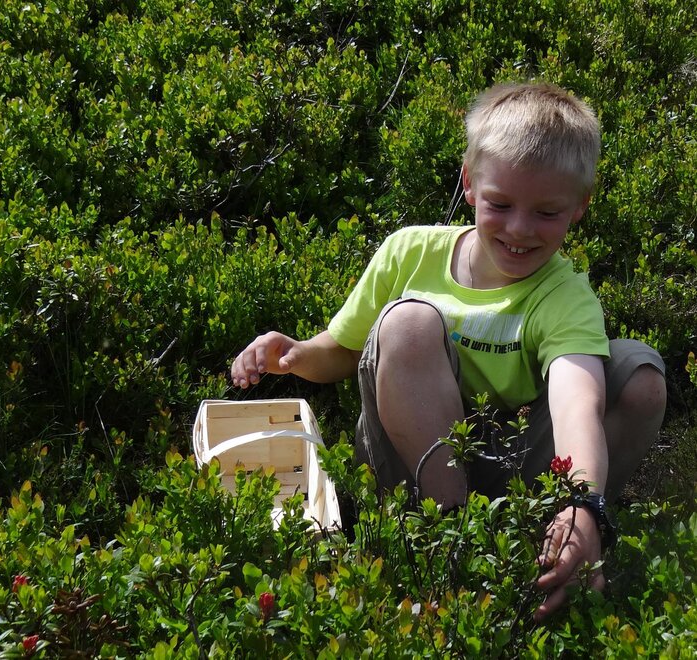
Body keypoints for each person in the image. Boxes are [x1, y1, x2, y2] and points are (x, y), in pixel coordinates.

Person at [230, 81, 667, 621]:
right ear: (469, 184)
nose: (520, 229)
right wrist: (295, 355)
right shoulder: (410, 252)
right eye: (500, 204)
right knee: (409, 322)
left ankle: (564, 534)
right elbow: (341, 351)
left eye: (547, 212)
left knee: (639, 374)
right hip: (408, 465)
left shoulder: (565, 297)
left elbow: (577, 401)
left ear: (580, 206)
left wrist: (584, 500)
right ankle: (451, 546)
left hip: (509, 463)